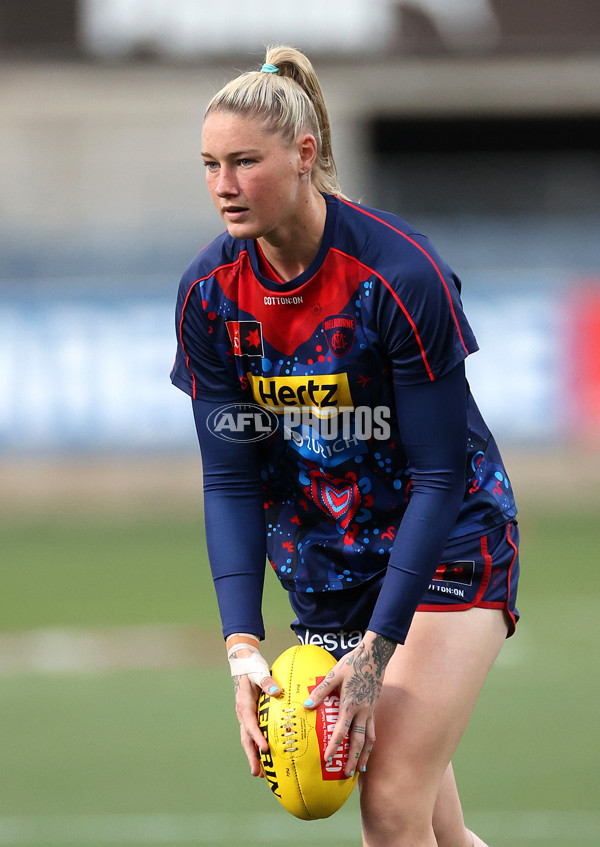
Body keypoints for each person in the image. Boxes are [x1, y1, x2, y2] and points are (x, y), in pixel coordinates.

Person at [171, 45, 519, 847]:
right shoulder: (209, 292)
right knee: (439, 830)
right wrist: (241, 645)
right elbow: (231, 478)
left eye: (245, 162)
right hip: (327, 566)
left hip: (450, 544)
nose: (224, 185)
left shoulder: (398, 273)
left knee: (392, 806)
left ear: (303, 155)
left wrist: (375, 651)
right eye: (210, 165)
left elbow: (438, 474)